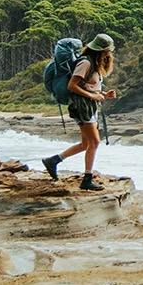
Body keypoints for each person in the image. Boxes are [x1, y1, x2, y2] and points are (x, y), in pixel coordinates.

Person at [41, 33, 116, 191]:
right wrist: (93, 96)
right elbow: (72, 86)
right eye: (107, 51)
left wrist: (103, 95)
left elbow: (88, 86)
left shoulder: (93, 64)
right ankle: (87, 179)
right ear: (101, 50)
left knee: (86, 143)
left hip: (89, 106)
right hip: (82, 108)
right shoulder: (85, 63)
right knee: (94, 142)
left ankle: (53, 160)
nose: (109, 54)